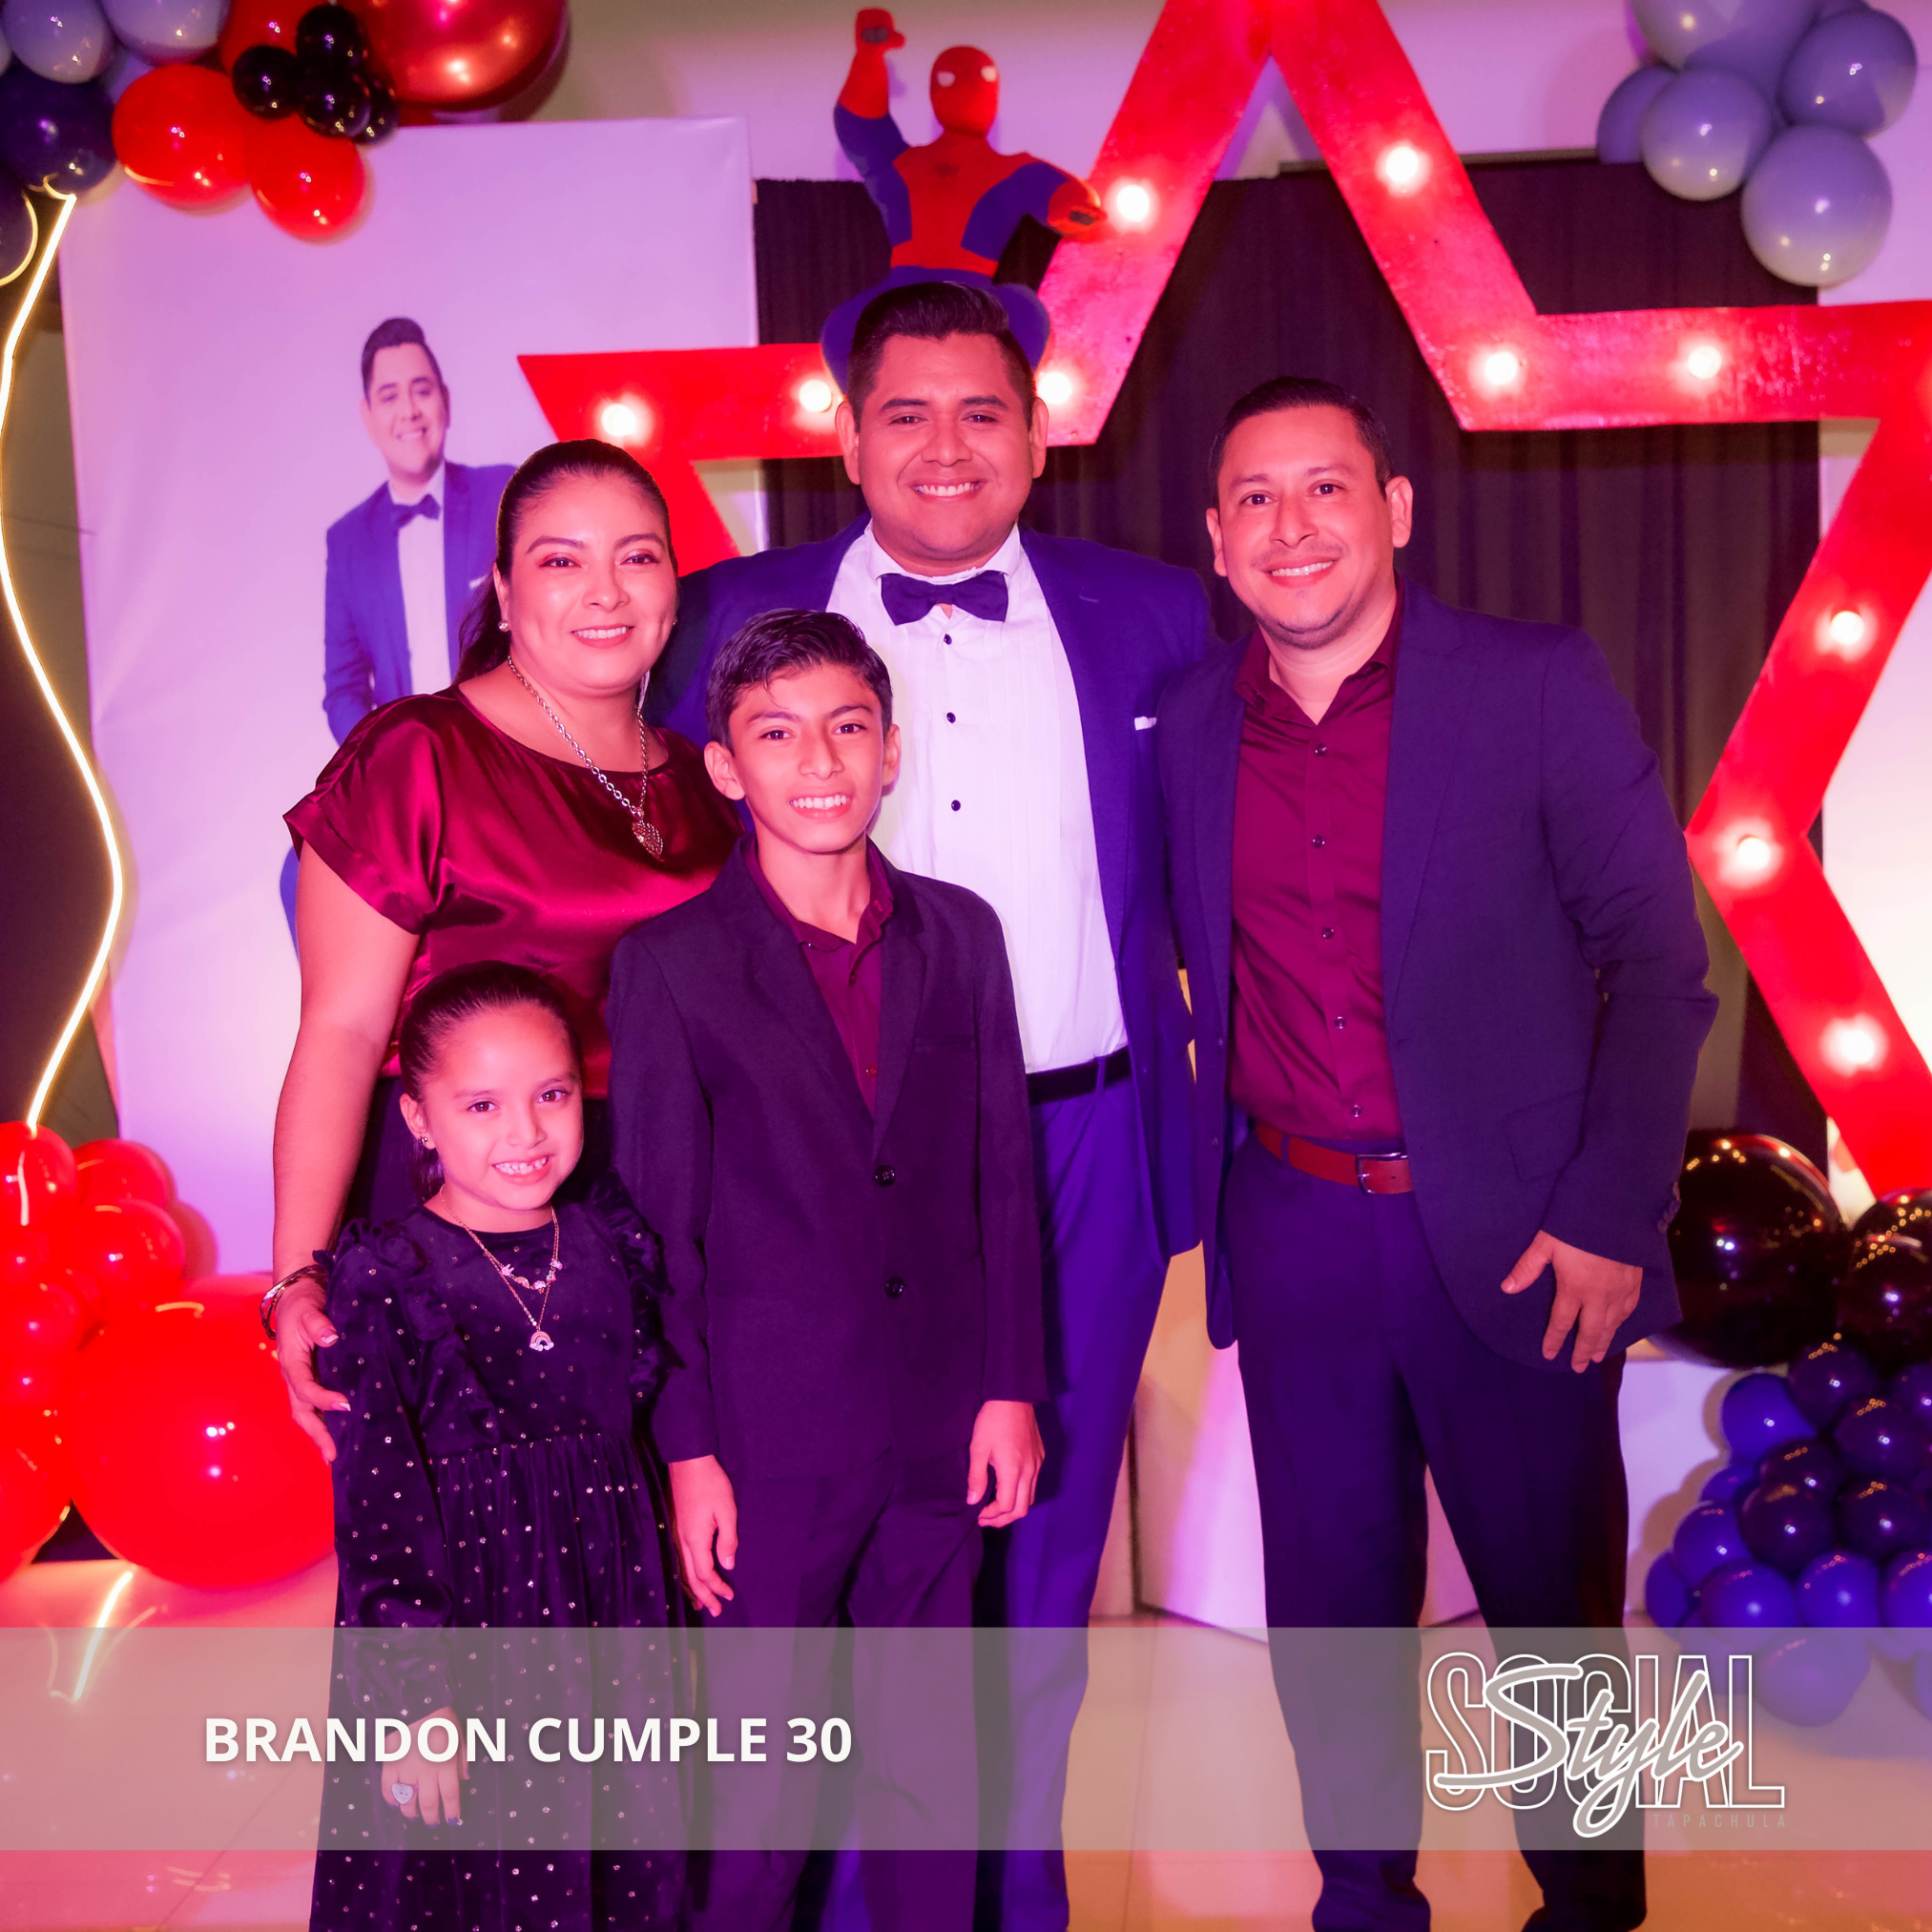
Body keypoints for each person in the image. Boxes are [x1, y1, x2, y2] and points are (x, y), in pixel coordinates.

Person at [651, 279, 1210, 1931]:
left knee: (1038, 1550)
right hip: (818, 1168)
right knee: (819, 1560)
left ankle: (1008, 1895)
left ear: (1040, 436)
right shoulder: (718, 614)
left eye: (983, 411)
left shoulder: (1158, 617)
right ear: (847, 438)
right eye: (906, 411)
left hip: (1081, 1137)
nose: (945, 446)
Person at [1156, 378, 1717, 1931]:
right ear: (1215, 539)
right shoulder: (1189, 727)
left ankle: (1591, 1909)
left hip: (1528, 1236)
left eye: (1326, 487)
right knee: (1331, 1614)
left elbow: (1659, 968)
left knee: (1554, 1624)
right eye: (1256, 498)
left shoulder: (1533, 685)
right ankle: (1361, 1900)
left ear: (1395, 509)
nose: (1293, 526)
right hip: (1294, 1228)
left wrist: (1609, 1213)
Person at [608, 610, 1046, 1932]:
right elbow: (660, 1233)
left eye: (848, 727)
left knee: (931, 1768)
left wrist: (1011, 1387)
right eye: (778, 733)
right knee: (761, 1792)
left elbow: (1002, 1175)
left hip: (939, 1421)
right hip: (765, 1441)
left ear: (892, 750)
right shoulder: (669, 966)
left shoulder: (961, 935)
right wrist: (687, 1449)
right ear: (724, 767)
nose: (819, 762)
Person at [270, 440, 740, 1461]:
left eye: (638, 556)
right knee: (498, 1533)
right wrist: (296, 1273)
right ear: (502, 586)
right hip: (469, 1212)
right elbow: (342, 1032)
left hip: (668, 1206)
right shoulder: (416, 756)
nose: (606, 591)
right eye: (561, 560)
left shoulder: (703, 778)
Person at [309, 960, 681, 1932]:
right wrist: (414, 1696)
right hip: (470, 1630)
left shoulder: (610, 1244)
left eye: (551, 1095)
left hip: (607, 1621)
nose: (525, 1133)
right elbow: (379, 1507)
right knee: (484, 1874)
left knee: (615, 1860)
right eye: (481, 1105)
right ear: (419, 1119)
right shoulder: (388, 1275)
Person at [323, 318, 514, 744]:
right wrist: (386, 759)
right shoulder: (347, 541)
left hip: (508, 749)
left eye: (422, 391)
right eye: (389, 396)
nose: (409, 410)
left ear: (446, 400)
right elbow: (343, 689)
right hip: (409, 768)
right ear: (368, 416)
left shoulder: (503, 494)